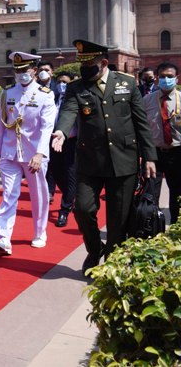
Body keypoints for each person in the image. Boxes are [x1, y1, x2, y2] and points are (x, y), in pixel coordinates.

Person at [52, 40, 157, 275]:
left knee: (118, 217)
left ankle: (112, 261)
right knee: (82, 209)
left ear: (104, 63)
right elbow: (69, 111)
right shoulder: (76, 88)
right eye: (82, 64)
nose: (85, 68)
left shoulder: (127, 84)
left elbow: (141, 123)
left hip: (123, 159)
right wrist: (61, 131)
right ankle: (94, 248)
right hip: (89, 160)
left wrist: (149, 156)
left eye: (90, 64)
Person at [0, 52, 56, 255]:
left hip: (33, 154)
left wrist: (40, 153)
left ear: (34, 71)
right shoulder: (8, 93)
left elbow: (47, 127)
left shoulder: (45, 94)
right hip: (9, 152)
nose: (20, 74)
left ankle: (40, 232)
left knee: (38, 196)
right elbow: (2, 125)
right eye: (17, 70)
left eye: (24, 70)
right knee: (9, 194)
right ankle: (3, 237)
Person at [142, 61, 181, 225]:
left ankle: (176, 226)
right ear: (157, 79)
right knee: (151, 193)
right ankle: (151, 228)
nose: (166, 80)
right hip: (154, 154)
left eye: (170, 76)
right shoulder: (147, 100)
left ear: (177, 79)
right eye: (163, 77)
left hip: (177, 153)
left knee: (177, 194)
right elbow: (141, 128)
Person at [52, 71, 78, 227]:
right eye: (59, 82)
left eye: (65, 82)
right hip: (53, 141)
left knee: (70, 175)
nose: (62, 85)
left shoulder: (77, 99)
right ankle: (71, 195)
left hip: (71, 141)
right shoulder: (53, 98)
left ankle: (64, 210)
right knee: (55, 172)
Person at [36, 61, 62, 204]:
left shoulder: (58, 88)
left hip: (54, 130)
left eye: (46, 69)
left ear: (52, 72)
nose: (43, 72)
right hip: (37, 132)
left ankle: (51, 190)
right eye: (41, 69)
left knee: (52, 163)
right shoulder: (34, 88)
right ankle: (45, 190)